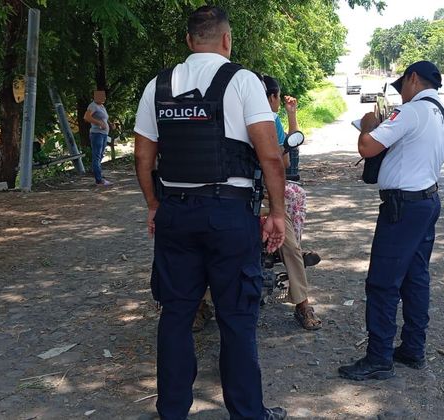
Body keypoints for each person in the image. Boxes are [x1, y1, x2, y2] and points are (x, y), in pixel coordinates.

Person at [133, 6, 288, 420]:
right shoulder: (243, 81)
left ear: (189, 40)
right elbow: (270, 155)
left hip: (175, 214)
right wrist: (277, 212)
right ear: (226, 40)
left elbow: (143, 157)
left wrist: (154, 206)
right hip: (229, 215)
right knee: (237, 317)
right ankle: (248, 413)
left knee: (176, 315)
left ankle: (172, 411)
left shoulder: (157, 86)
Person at [338, 61, 444, 381]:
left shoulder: (411, 112)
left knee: (383, 282)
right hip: (426, 201)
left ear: (413, 79)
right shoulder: (443, 113)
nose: (401, 95)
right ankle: (414, 348)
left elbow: (367, 146)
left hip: (403, 207)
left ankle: (379, 357)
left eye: (402, 88)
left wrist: (368, 123)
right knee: (416, 277)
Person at [261, 75, 322, 330]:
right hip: (251, 194)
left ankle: (302, 303)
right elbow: (285, 160)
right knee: (291, 246)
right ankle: (302, 304)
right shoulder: (261, 120)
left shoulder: (267, 121)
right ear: (272, 97)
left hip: (258, 194)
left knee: (289, 244)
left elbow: (286, 154)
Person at [84, 90, 112, 186]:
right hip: (97, 134)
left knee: (101, 155)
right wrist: (99, 123)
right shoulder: (93, 106)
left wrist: (110, 124)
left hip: (104, 134)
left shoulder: (102, 106)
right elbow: (86, 117)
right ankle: (99, 180)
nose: (104, 98)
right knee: (97, 156)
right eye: (101, 96)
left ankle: (97, 172)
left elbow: (104, 118)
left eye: (104, 96)